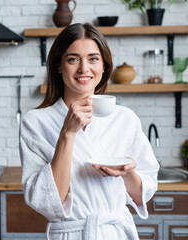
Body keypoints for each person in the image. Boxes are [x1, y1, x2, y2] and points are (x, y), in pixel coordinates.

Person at [19, 23, 159, 240]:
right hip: (71, 234)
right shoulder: (36, 122)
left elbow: (144, 192)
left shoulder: (125, 119)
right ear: (58, 65)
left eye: (93, 59)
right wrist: (67, 132)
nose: (84, 68)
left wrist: (126, 172)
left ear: (104, 66)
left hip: (114, 233)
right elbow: (47, 202)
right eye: (73, 59)